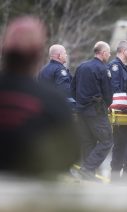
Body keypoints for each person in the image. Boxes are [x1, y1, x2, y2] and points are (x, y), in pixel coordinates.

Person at [0, 16, 79, 177]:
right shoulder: (53, 101)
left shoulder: (44, 71)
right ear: (38, 54)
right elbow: (69, 155)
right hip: (31, 192)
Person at [71, 41, 113, 181]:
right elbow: (108, 93)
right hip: (96, 112)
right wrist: (106, 104)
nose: (109, 54)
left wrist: (80, 103)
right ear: (102, 53)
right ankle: (87, 169)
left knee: (88, 142)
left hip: (81, 111)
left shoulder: (81, 66)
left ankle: (88, 176)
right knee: (106, 141)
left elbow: (73, 88)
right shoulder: (102, 69)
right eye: (108, 52)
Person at [108, 40, 127, 182]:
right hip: (121, 113)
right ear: (124, 51)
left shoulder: (124, 68)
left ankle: (118, 176)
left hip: (124, 112)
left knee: (121, 144)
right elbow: (116, 91)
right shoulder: (115, 67)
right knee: (125, 143)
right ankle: (120, 175)